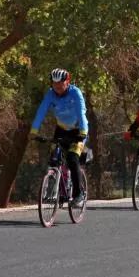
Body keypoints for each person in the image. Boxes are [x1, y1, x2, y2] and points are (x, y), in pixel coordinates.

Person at [30, 68, 89, 207]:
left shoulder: (76, 93)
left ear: (67, 82)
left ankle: (78, 194)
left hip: (77, 129)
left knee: (72, 158)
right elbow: (41, 111)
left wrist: (83, 132)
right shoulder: (50, 94)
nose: (57, 88)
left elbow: (81, 113)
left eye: (60, 84)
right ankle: (59, 192)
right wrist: (33, 130)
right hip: (61, 129)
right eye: (54, 84)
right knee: (54, 159)